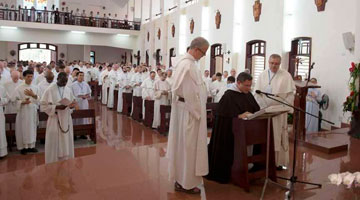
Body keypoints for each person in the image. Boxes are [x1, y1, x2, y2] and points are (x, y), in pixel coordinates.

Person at [167, 37, 209, 194]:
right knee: (188, 147)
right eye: (203, 53)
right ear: (196, 49)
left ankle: (181, 179)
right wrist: (198, 113)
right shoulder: (188, 66)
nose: (203, 56)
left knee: (183, 146)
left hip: (184, 109)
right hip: (190, 113)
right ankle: (187, 183)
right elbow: (190, 93)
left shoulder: (184, 63)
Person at [206, 73, 260, 183]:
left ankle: (248, 168)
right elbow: (223, 115)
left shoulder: (248, 94)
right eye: (246, 85)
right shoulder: (229, 95)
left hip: (247, 130)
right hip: (231, 131)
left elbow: (256, 108)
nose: (249, 88)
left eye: (250, 85)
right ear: (238, 83)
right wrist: (238, 116)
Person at [254, 54, 295, 169]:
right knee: (266, 136)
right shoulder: (262, 75)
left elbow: (290, 94)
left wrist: (282, 107)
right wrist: (265, 107)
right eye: (272, 63)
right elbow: (256, 94)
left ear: (280, 64)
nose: (274, 66)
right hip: (265, 112)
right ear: (268, 62)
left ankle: (278, 162)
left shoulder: (286, 75)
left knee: (279, 136)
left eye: (276, 63)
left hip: (279, 113)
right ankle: (264, 162)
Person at [40, 72, 77, 164]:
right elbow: (43, 106)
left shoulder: (68, 89)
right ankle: (53, 162)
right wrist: (56, 107)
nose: (64, 83)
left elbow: (72, 101)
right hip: (55, 119)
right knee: (54, 141)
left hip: (66, 119)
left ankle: (66, 160)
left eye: (66, 81)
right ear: (57, 79)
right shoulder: (49, 90)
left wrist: (71, 106)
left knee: (67, 139)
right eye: (63, 81)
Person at [13, 70, 40, 155]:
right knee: (23, 129)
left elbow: (40, 100)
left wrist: (33, 95)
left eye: (31, 76)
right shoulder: (19, 88)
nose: (30, 78)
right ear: (24, 77)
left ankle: (31, 146)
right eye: (28, 76)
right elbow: (14, 101)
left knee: (32, 129)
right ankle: (23, 147)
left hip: (32, 111)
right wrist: (22, 102)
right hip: (23, 112)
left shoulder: (36, 87)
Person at [0, 85, 9, 159]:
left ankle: (1, 153)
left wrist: (0, 99)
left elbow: (7, 99)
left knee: (0, 132)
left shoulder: (2, 88)